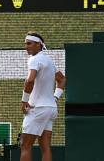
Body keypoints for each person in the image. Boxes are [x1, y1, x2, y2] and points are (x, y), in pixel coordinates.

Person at [20, 31, 66, 161]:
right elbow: (62, 79)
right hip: (50, 109)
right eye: (25, 44)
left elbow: (30, 80)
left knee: (25, 145)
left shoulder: (34, 60)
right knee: (45, 147)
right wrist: (55, 97)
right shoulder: (49, 60)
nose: (26, 46)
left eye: (29, 43)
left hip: (38, 109)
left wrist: (24, 101)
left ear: (38, 45)